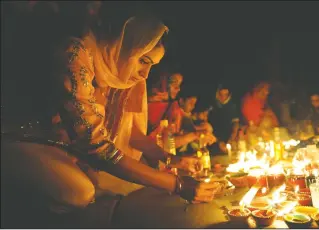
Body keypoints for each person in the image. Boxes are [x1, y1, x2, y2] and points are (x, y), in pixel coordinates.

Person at [1, 7, 220, 217]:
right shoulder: (75, 55)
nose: (145, 74)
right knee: (80, 192)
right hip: (23, 139)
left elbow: (130, 133)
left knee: (125, 183)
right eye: (143, 60)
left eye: (152, 65)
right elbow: (95, 144)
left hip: (69, 149)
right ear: (123, 42)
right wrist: (177, 185)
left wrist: (171, 160)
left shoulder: (118, 70)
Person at [208, 84, 240, 154]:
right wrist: (218, 141)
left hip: (228, 137)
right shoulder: (211, 105)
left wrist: (233, 135)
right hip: (213, 138)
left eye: (226, 94)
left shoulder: (232, 105)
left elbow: (235, 123)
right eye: (221, 94)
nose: (223, 97)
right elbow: (207, 125)